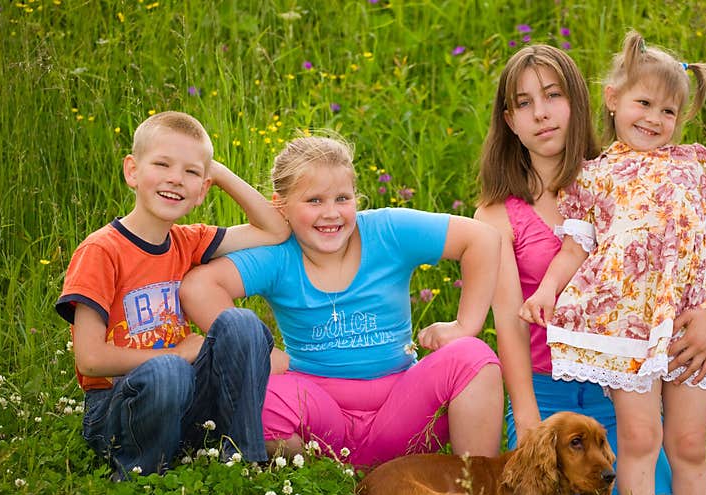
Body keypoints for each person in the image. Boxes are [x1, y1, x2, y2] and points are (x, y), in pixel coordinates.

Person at [518, 32, 706, 495]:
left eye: (669, 110)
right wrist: (545, 291)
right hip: (624, 323)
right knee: (640, 438)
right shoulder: (592, 175)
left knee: (687, 444)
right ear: (612, 98)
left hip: (688, 319)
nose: (656, 118)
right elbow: (575, 247)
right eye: (644, 103)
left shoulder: (695, 166)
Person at [180, 134, 504, 470]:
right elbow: (198, 288)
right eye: (314, 201)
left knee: (473, 357)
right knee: (258, 397)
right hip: (320, 418)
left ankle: (476, 490)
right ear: (281, 207)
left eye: (342, 198)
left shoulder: (387, 231)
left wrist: (465, 325)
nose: (331, 213)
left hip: (403, 411)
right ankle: (331, 482)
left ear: (356, 200)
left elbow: (480, 238)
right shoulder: (279, 257)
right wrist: (261, 351)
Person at [55, 110, 290, 481]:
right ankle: (141, 476)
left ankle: (242, 460)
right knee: (169, 371)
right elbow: (89, 359)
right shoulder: (101, 251)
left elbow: (275, 230)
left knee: (241, 323)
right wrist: (176, 353)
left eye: (191, 173)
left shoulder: (187, 241)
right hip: (118, 409)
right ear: (132, 171)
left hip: (184, 400)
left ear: (201, 190)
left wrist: (217, 172)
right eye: (162, 164)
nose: (175, 179)